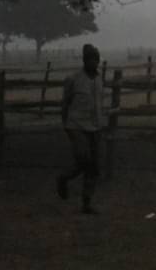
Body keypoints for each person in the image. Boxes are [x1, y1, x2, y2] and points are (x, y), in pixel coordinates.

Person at [57, 44, 104, 214]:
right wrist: (66, 124)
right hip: (76, 125)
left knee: (94, 166)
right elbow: (65, 103)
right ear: (85, 61)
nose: (95, 63)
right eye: (91, 59)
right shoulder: (73, 79)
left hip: (96, 126)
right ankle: (64, 178)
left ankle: (86, 202)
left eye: (96, 59)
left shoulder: (99, 79)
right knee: (84, 159)